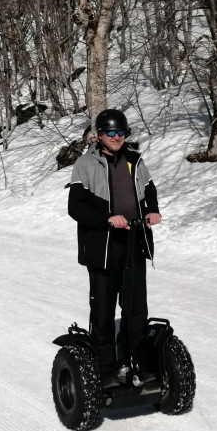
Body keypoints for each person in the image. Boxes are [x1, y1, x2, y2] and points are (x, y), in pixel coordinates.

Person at [67, 108, 161, 384]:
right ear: (100, 135)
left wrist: (151, 210)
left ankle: (136, 362)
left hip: (134, 241)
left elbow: (149, 190)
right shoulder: (85, 164)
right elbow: (76, 206)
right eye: (112, 133)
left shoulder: (134, 160)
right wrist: (107, 218)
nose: (118, 137)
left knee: (135, 309)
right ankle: (106, 368)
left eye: (122, 132)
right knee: (103, 310)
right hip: (102, 247)